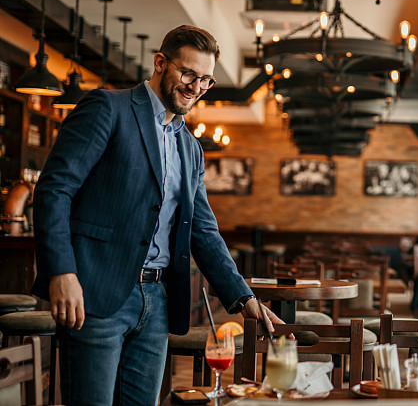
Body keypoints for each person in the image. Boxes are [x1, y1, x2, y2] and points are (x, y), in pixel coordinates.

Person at [32, 25, 283, 406]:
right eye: (188, 74)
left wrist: (243, 297)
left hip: (158, 301)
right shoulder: (108, 108)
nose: (195, 87)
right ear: (161, 63)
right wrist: (61, 272)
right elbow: (54, 190)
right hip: (95, 292)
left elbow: (204, 231)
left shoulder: (191, 148)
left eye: (206, 80)